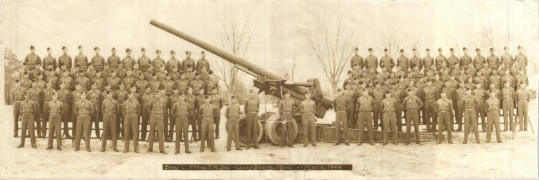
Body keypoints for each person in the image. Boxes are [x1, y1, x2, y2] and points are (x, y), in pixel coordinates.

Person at [148, 90, 167, 154]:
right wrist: (152, 114)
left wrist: (161, 115)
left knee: (160, 133)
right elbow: (149, 108)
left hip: (160, 117)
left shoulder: (163, 101)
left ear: (160, 95)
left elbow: (164, 109)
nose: (158, 95)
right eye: (156, 94)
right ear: (155, 95)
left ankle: (162, 149)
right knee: (151, 133)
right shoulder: (152, 101)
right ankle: (150, 148)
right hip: (153, 116)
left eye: (159, 94)